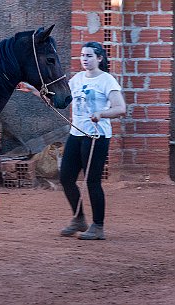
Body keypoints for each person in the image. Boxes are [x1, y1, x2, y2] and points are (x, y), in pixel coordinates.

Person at [59, 42, 126, 240]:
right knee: (66, 178)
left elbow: (120, 108)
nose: (85, 59)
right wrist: (34, 90)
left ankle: (98, 226)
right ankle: (79, 219)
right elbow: (62, 99)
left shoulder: (107, 81)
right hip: (77, 134)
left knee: (92, 181)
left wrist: (101, 113)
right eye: (82, 55)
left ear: (99, 58)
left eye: (89, 56)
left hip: (97, 136)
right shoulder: (77, 79)